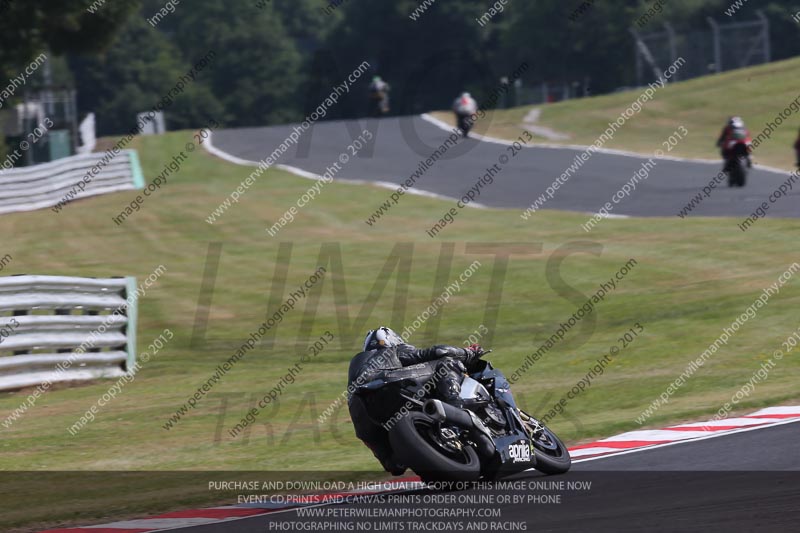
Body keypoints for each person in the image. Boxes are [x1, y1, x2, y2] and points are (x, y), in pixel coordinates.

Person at [347, 326, 487, 475]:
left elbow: (394, 469)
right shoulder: (390, 351)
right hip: (388, 381)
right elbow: (438, 352)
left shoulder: (358, 371)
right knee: (446, 364)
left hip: (359, 409)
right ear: (391, 339)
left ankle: (411, 450)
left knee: (394, 464)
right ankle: (455, 423)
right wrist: (468, 352)